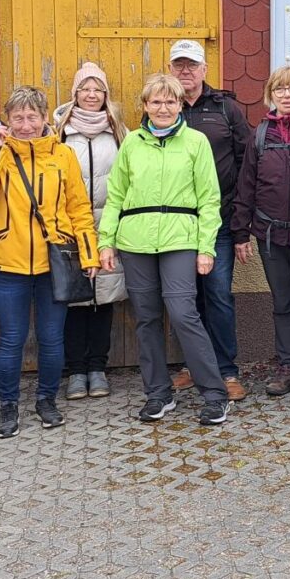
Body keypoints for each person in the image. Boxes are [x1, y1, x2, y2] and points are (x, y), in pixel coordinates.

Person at [98, 74, 230, 425]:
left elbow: (209, 198)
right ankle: (158, 393)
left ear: (180, 105)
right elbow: (116, 197)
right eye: (155, 101)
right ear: (145, 106)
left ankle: (215, 395)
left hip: (180, 239)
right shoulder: (132, 144)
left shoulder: (196, 142)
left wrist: (206, 248)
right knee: (146, 319)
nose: (163, 108)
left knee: (184, 313)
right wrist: (106, 240)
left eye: (170, 101)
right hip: (135, 240)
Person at [0, 86, 100, 437]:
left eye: (32, 117)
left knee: (51, 337)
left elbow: (79, 209)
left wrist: (88, 253)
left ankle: (46, 400)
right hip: (7, 261)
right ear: (7, 120)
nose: (25, 125)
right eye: (18, 118)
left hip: (52, 261)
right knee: (12, 338)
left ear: (45, 119)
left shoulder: (63, 155)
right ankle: (9, 405)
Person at [232, 65, 290, 399]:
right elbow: (247, 185)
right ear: (271, 95)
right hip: (269, 234)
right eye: (280, 90)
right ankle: (289, 367)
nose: (287, 95)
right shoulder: (260, 134)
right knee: (282, 303)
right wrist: (241, 233)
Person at [169, 39, 251, 401]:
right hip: (176, 225)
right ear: (170, 70)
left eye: (192, 65)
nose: (185, 71)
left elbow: (247, 165)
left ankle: (227, 370)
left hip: (218, 223)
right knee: (187, 300)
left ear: (204, 70)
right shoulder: (163, 108)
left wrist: (240, 227)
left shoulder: (226, 109)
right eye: (179, 65)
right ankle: (193, 365)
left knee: (218, 296)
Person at [53, 63, 129, 400]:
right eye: (86, 88)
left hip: (108, 227)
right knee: (74, 299)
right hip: (69, 229)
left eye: (98, 89)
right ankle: (75, 371)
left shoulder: (119, 132)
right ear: (75, 94)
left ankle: (98, 368)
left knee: (103, 298)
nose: (92, 95)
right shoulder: (58, 131)